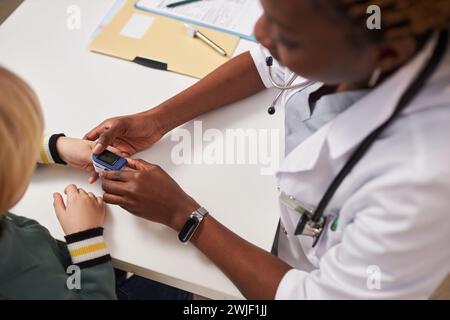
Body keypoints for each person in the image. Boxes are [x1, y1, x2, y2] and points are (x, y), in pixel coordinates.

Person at [85, 0, 450, 299]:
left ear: (385, 54)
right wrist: (158, 120)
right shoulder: (360, 37)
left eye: (286, 35)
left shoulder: (422, 184)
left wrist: (184, 216)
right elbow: (265, 63)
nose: (259, 33)